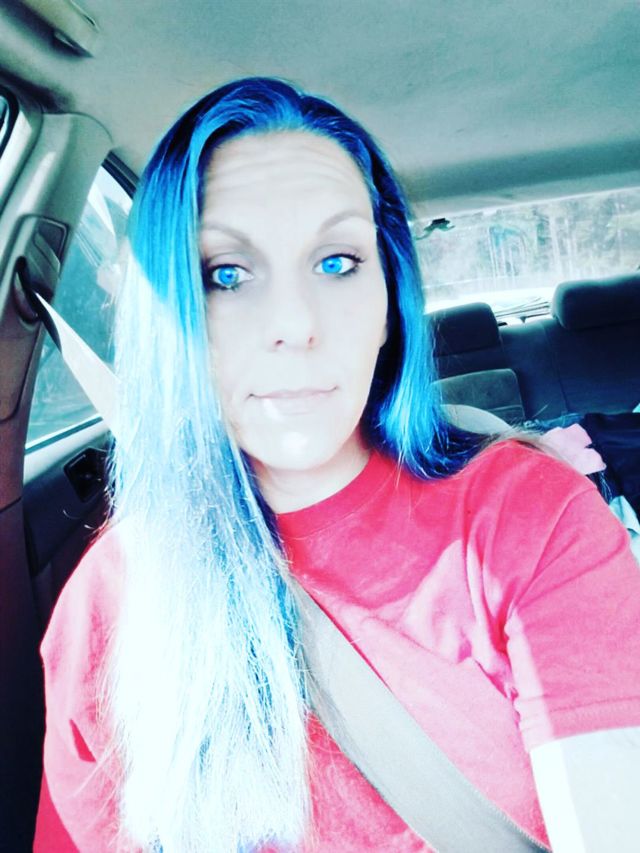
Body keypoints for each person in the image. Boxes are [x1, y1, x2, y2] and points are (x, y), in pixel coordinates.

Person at [34, 77, 640, 853]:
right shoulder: (112, 600)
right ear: (167, 314)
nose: (295, 324)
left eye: (337, 261)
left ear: (390, 301)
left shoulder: (528, 518)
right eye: (226, 274)